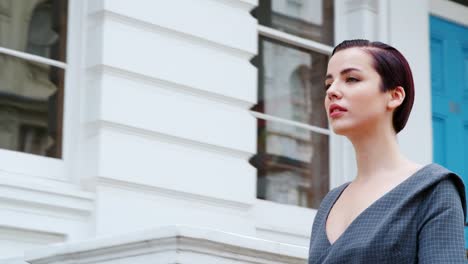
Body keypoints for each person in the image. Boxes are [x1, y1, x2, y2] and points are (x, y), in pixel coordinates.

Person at [308, 39, 467, 263]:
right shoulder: (329, 203)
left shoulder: (432, 189)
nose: (332, 91)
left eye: (351, 79)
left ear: (394, 96)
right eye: (328, 84)